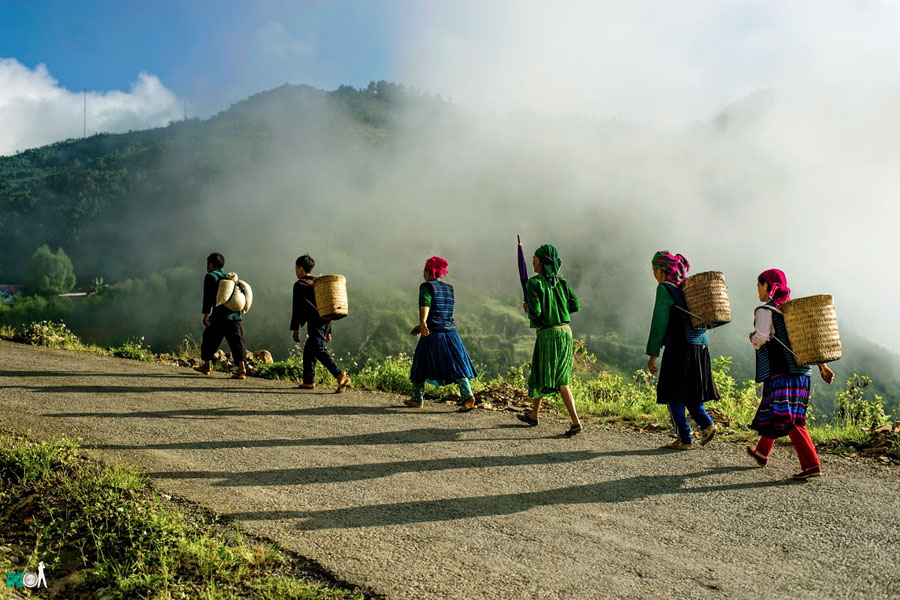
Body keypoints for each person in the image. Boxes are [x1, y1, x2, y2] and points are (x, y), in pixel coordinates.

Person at [746, 269, 834, 479]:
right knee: (781, 412)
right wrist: (822, 367)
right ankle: (761, 452)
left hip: (782, 372)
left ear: (767, 286)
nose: (758, 290)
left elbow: (761, 337)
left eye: (759, 285)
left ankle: (811, 465)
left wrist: (752, 338)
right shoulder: (793, 310)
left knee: (790, 419)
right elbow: (809, 341)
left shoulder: (765, 310)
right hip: (803, 373)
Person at [645, 251, 719, 449]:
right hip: (700, 347)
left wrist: (653, 354)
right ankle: (706, 424)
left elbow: (659, 323)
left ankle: (684, 438)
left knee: (672, 393)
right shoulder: (686, 288)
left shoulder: (665, 289)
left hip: (680, 347)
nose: (653, 273)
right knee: (690, 392)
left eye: (653, 269)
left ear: (660, 270)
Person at [517, 244, 583, 436]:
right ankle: (533, 415)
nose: (532, 261)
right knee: (542, 371)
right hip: (566, 332)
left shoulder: (533, 283)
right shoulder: (562, 283)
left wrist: (528, 307)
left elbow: (536, 312)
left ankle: (575, 420)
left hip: (548, 334)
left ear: (542, 262)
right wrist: (558, 308)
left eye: (535, 258)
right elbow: (575, 305)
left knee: (558, 379)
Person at [407, 256, 479, 410]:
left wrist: (423, 323)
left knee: (420, 362)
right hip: (451, 333)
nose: (423, 274)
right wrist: (419, 326)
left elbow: (425, 304)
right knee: (457, 364)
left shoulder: (426, 286)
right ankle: (467, 396)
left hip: (433, 334)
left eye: (424, 271)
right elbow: (441, 312)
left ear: (429, 272)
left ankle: (417, 398)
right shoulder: (449, 288)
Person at [291, 254, 351, 393]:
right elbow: (327, 306)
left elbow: (297, 309)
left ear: (300, 268)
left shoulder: (300, 285)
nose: (295, 271)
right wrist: (328, 331)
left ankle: (339, 374)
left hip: (315, 322)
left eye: (296, 268)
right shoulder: (318, 283)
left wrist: (295, 329)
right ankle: (308, 381)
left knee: (317, 349)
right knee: (309, 350)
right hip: (326, 320)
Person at [194, 252, 247, 379]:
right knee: (237, 341)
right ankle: (241, 368)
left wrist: (206, 315)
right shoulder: (228, 278)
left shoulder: (210, 277)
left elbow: (208, 298)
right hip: (234, 315)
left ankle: (206, 366)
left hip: (219, 316)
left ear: (210, 264)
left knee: (208, 338)